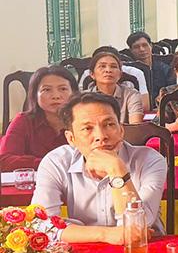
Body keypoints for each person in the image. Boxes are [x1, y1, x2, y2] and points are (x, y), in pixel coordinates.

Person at [33, 92, 166, 244]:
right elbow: (40, 224)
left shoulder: (150, 160)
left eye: (109, 125)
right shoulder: (57, 162)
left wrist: (116, 169)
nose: (101, 136)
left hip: (142, 250)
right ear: (71, 138)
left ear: (121, 130)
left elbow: (136, 228)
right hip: (84, 251)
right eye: (87, 128)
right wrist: (105, 235)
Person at [0, 66, 77, 170]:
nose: (56, 96)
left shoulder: (85, 120)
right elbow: (5, 160)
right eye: (47, 90)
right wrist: (50, 164)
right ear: (35, 95)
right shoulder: (23, 121)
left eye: (63, 89)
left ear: (74, 93)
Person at [84, 49, 143, 124]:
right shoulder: (83, 98)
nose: (108, 70)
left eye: (113, 66)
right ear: (92, 74)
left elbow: (135, 126)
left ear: (120, 74)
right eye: (102, 66)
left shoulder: (131, 95)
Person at [127, 31, 173, 104]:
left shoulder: (164, 69)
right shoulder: (129, 72)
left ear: (151, 46)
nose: (142, 49)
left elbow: (172, 90)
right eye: (136, 47)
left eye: (145, 45)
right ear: (131, 50)